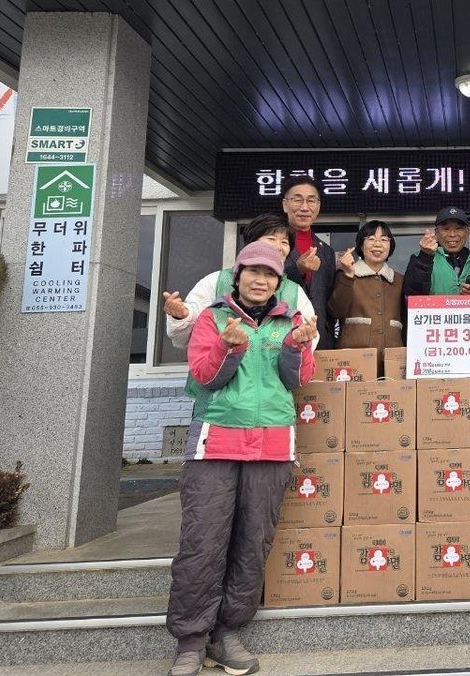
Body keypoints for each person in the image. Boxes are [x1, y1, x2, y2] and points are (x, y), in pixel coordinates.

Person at [165, 242, 318, 676]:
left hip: (272, 444)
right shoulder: (212, 318)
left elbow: (298, 379)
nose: (260, 280)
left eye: (269, 274)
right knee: (203, 542)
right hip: (215, 442)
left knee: (253, 542)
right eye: (252, 271)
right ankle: (191, 640)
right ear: (237, 276)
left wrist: (296, 348)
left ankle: (228, 632)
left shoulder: (291, 321)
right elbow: (205, 377)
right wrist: (228, 348)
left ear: (279, 282)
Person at [162, 213, 313, 350]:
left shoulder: (294, 291)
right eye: (271, 239)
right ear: (251, 243)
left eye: (285, 242)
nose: (278, 247)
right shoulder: (216, 281)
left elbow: (308, 338)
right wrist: (181, 316)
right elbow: (188, 337)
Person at [329, 220, 405, 352]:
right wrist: (348, 276)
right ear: (361, 245)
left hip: (391, 356)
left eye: (384, 239)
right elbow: (335, 311)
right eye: (371, 239)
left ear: (390, 245)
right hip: (354, 355)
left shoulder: (399, 280)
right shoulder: (346, 274)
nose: (377, 244)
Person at [280, 175, 337, 349]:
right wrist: (296, 269)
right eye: (298, 200)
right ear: (285, 204)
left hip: (319, 339)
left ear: (318, 206)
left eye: (311, 200)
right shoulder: (271, 242)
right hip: (280, 335)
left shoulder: (327, 251)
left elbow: (328, 300)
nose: (305, 207)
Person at [403, 206, 470, 296]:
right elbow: (412, 295)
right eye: (446, 229)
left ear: (467, 232)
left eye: (458, 228)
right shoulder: (419, 258)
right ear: (436, 232)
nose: (452, 234)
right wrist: (425, 257)